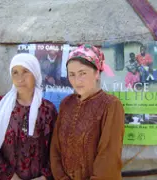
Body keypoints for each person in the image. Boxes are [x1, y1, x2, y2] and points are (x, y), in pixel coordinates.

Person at [50, 44, 125, 180]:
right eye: (71, 74)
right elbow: (55, 149)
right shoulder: (66, 104)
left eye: (83, 73)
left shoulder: (111, 105)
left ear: (96, 73)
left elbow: (108, 158)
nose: (77, 81)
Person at [0, 53, 57, 180]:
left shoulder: (47, 110)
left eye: (25, 71)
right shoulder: (0, 105)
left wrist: (45, 177)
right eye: (15, 72)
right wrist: (11, 177)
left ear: (35, 74)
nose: (20, 78)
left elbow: (55, 148)